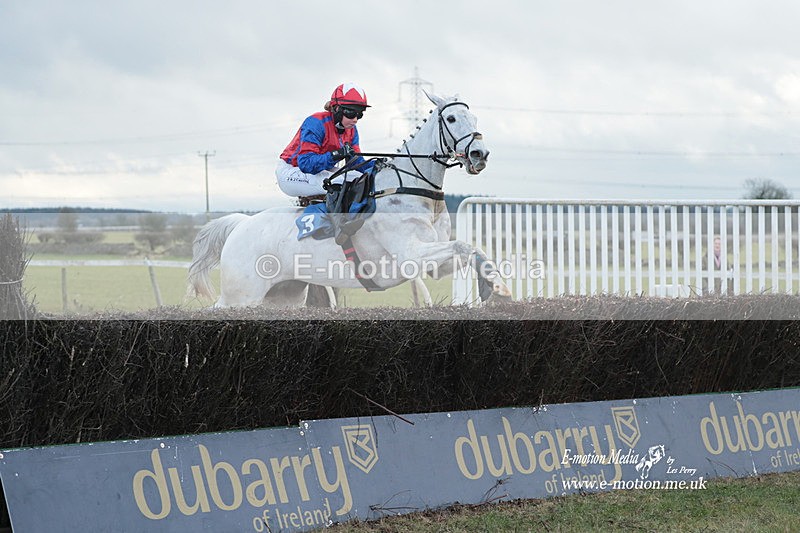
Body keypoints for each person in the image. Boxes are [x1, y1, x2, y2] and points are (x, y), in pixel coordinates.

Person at [276, 83, 372, 201]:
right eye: (351, 113)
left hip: (320, 171)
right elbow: (306, 164)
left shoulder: (351, 130)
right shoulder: (316, 123)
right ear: (337, 108)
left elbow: (356, 163)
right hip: (291, 171)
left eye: (360, 114)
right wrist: (336, 155)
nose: (355, 120)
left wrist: (378, 167)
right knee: (338, 182)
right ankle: (333, 218)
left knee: (361, 178)